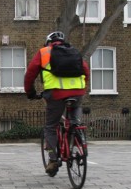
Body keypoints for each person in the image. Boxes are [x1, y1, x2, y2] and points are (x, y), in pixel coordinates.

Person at [24, 31, 90, 177]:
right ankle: (76, 137)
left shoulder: (44, 52)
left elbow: (30, 74)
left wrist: (30, 93)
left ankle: (53, 160)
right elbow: (86, 70)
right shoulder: (74, 51)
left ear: (48, 42)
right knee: (73, 121)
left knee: (50, 127)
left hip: (56, 95)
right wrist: (82, 88)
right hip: (77, 92)